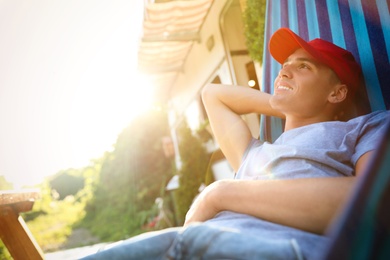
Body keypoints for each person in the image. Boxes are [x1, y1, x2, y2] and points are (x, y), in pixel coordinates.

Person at [81, 28, 389, 260]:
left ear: (337, 93)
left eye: (303, 66)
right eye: (285, 64)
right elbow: (211, 95)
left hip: (277, 249)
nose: (284, 69)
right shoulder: (255, 153)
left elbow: (373, 202)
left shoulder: (367, 126)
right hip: (197, 242)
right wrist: (283, 102)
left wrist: (221, 193)